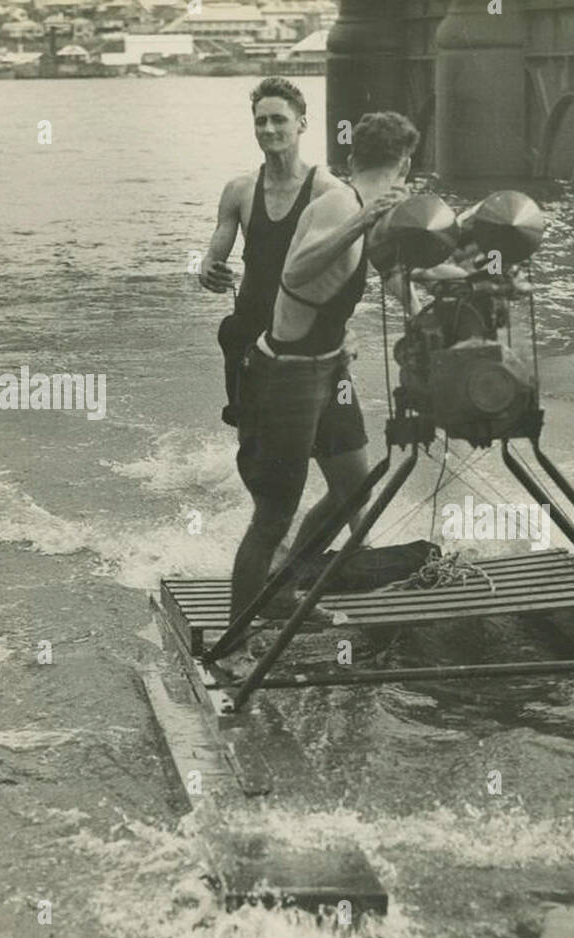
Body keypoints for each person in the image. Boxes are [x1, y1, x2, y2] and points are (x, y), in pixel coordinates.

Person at [228, 111, 420, 627]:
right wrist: (363, 220)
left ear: (356, 156)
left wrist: (440, 296)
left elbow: (394, 271)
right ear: (406, 162)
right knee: (273, 516)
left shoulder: (370, 208)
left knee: (352, 492)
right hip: (285, 375)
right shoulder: (340, 203)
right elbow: (296, 270)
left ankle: (284, 589)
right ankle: (236, 636)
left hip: (330, 370)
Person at [198, 77, 341, 427]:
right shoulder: (239, 190)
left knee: (321, 441)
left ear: (302, 123)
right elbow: (214, 252)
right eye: (261, 121)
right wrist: (205, 270)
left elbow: (348, 268)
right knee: (253, 441)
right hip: (249, 331)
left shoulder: (327, 191)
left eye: (279, 119)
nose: (269, 128)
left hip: (307, 334)